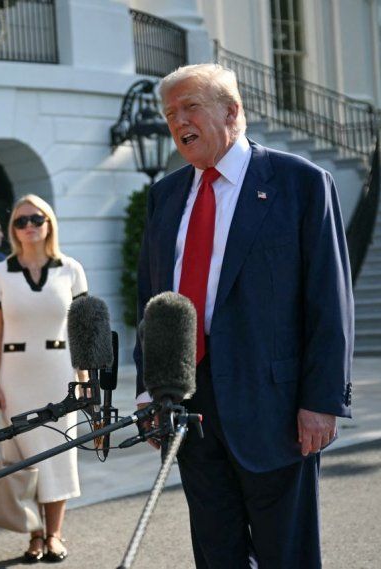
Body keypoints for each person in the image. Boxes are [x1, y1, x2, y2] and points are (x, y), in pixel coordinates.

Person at [133, 63, 353, 568]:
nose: (177, 121)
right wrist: (152, 388)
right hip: (191, 405)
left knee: (286, 552)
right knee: (215, 549)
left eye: (190, 107)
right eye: (170, 113)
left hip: (275, 406)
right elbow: (152, 299)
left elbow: (329, 301)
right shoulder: (166, 196)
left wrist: (321, 400)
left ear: (232, 112)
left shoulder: (301, 184)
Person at [0, 194, 88, 563]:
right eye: (20, 221)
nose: (29, 226)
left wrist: (85, 378)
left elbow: (81, 330)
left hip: (59, 372)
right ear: (12, 229)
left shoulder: (71, 269)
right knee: (21, 459)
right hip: (14, 376)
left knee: (57, 455)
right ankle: (34, 535)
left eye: (36, 219)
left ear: (49, 223)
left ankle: (55, 534)